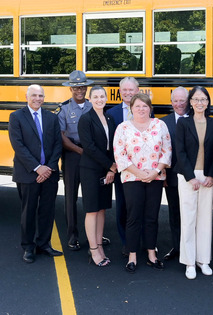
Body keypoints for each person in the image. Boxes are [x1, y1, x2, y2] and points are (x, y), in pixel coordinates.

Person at [113, 93, 172, 273]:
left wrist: (155, 172)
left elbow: (167, 150)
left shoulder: (160, 125)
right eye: (137, 106)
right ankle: (132, 255)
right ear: (131, 108)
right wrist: (139, 173)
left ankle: (151, 254)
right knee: (133, 216)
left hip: (155, 178)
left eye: (145, 106)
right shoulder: (123, 128)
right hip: (132, 178)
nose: (141, 109)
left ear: (150, 108)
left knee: (151, 217)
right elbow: (120, 154)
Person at [8, 84, 63, 263]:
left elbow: (57, 144)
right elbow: (18, 145)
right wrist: (37, 167)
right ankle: (28, 247)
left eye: (40, 95)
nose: (37, 99)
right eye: (34, 95)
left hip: (50, 173)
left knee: (47, 211)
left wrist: (48, 167)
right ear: (27, 96)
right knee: (28, 211)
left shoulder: (51, 118)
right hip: (27, 173)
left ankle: (44, 244)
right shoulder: (16, 117)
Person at [175, 86, 213, 279]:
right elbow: (180, 152)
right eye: (196, 99)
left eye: (203, 99)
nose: (200, 103)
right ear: (190, 102)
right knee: (188, 219)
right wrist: (190, 177)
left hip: (207, 176)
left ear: (208, 102)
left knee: (205, 219)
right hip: (188, 175)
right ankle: (189, 262)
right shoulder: (183, 124)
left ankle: (203, 260)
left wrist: (211, 175)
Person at [78, 86, 116, 267]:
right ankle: (93, 250)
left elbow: (114, 146)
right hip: (90, 170)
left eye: (102, 96)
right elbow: (89, 147)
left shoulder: (110, 118)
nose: (99, 99)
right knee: (92, 209)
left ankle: (100, 245)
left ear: (106, 98)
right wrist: (110, 165)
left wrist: (111, 170)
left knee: (102, 209)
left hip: (106, 170)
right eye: (96, 97)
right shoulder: (85, 119)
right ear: (90, 99)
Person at [106, 77, 143, 256]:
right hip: (122, 170)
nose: (128, 93)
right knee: (123, 206)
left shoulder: (145, 111)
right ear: (120, 92)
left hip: (143, 170)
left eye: (131, 90)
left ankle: (140, 240)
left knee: (141, 207)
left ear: (138, 90)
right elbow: (110, 143)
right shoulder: (111, 114)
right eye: (124, 90)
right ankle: (126, 242)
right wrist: (113, 166)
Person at [57, 70, 94, 251]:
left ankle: (93, 235)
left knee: (91, 197)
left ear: (86, 88)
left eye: (82, 87)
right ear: (70, 89)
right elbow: (62, 137)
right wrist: (80, 150)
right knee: (70, 197)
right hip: (72, 154)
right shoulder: (64, 109)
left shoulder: (93, 106)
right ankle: (72, 236)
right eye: (75, 87)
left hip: (91, 156)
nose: (79, 90)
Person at [161, 87, 190, 262]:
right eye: (175, 101)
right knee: (174, 212)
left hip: (192, 177)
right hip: (171, 176)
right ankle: (177, 248)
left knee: (191, 213)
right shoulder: (163, 122)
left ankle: (191, 249)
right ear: (171, 102)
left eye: (182, 100)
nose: (179, 104)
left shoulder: (196, 120)